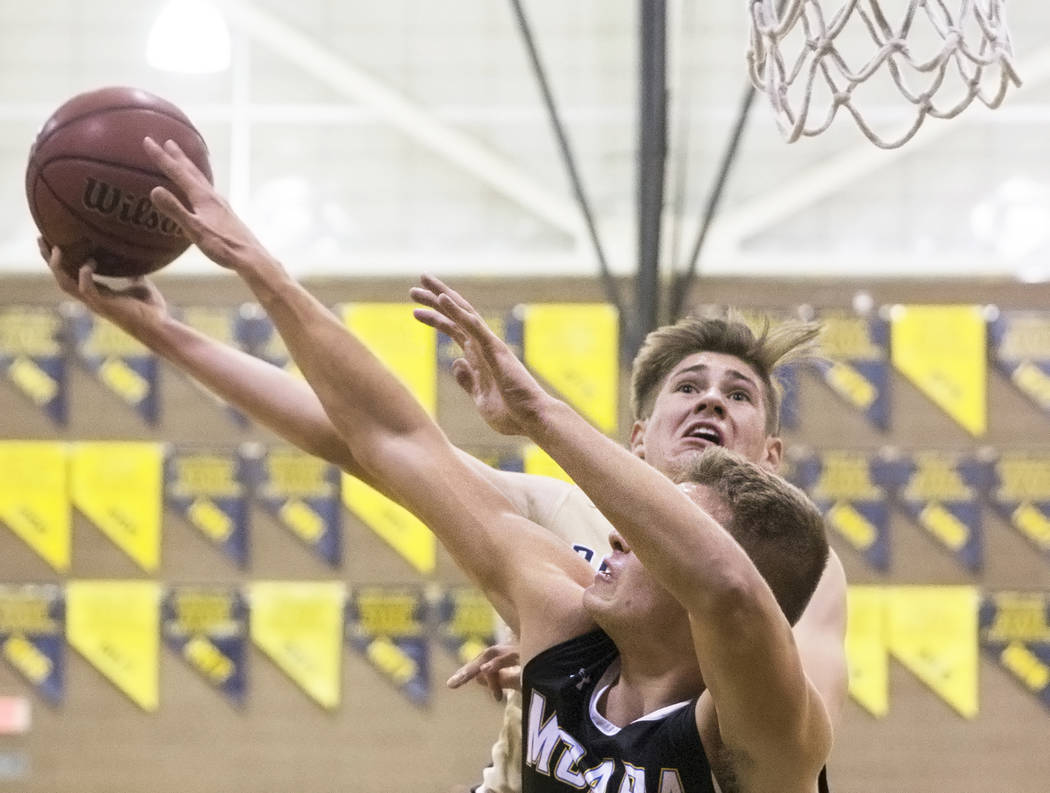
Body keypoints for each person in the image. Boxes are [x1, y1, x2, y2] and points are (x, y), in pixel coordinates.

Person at [42, 137, 845, 790]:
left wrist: (540, 413)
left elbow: (735, 603)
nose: (710, 404)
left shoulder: (780, 612)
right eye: (688, 387)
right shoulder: (563, 585)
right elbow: (386, 440)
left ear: (771, 460)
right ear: (635, 438)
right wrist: (247, 273)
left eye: (738, 394)